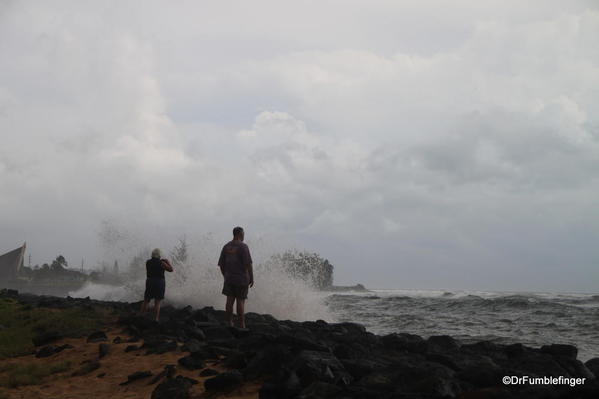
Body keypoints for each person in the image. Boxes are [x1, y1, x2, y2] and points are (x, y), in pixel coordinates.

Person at [218, 226, 254, 328]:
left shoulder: (226, 246)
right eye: (243, 234)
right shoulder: (243, 247)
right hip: (241, 279)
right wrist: (252, 277)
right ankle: (241, 324)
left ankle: (230, 322)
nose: (244, 236)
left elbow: (221, 264)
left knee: (229, 300)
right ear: (240, 234)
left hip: (229, 278)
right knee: (240, 301)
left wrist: (225, 275)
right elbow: (248, 264)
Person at [140, 248, 173, 321]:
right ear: (159, 255)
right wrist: (168, 262)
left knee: (146, 300)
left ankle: (142, 316)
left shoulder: (148, 262)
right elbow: (171, 270)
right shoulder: (162, 263)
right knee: (157, 302)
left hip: (150, 281)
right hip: (159, 282)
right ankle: (155, 319)